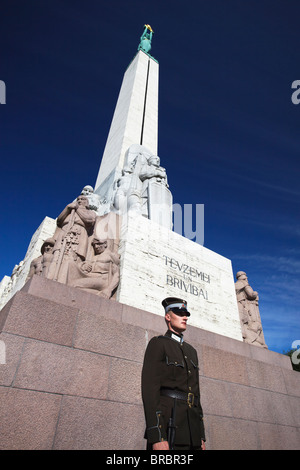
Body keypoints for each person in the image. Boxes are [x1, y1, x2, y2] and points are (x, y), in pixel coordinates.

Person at [141, 297, 206, 450]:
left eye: (186, 314)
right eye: (179, 313)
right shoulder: (158, 343)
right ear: (168, 317)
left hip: (192, 431)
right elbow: (150, 391)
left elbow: (196, 395)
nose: (185, 317)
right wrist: (157, 435)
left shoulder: (192, 352)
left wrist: (201, 435)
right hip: (170, 427)